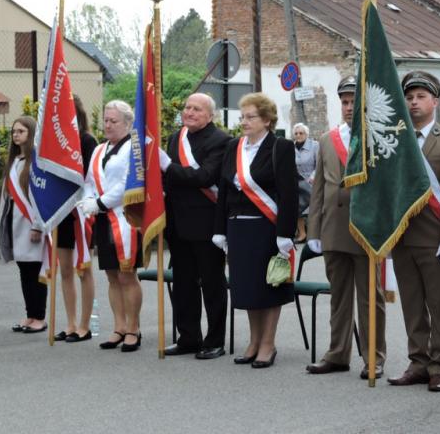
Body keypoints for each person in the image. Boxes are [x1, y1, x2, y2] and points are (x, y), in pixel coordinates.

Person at [387, 71, 440, 392]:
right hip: (403, 237)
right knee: (412, 305)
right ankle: (418, 362)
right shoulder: (395, 140)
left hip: (435, 238)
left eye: (421, 97)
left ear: (435, 102)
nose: (414, 102)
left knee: (438, 307)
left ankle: (439, 366)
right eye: (409, 97)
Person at [305, 75, 387, 379]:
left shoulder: (377, 137)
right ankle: (337, 353)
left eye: (354, 102)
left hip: (365, 229)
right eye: (345, 102)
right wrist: (313, 231)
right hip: (333, 228)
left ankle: (373, 357)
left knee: (370, 298)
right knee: (338, 296)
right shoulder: (327, 139)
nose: (349, 107)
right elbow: (318, 190)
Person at [213, 92, 298, 368]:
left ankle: (268, 344)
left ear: (267, 120)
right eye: (243, 117)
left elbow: (289, 194)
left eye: (251, 117)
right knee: (247, 287)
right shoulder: (234, 147)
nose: (244, 122)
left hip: (267, 227)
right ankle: (253, 341)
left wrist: (285, 233)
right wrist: (220, 229)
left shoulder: (280, 147)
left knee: (269, 286)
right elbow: (224, 191)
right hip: (238, 228)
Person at [159, 93, 230, 360]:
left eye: (197, 109)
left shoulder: (220, 140)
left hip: (206, 224)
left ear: (210, 115)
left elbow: (205, 177)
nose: (189, 112)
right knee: (183, 284)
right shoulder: (176, 138)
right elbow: (168, 180)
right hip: (178, 223)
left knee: (212, 284)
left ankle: (214, 340)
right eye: (187, 107)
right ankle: (188, 337)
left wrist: (168, 167)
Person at [80, 100, 143, 353]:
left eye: (113, 121)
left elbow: (128, 183)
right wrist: (89, 200)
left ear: (128, 123)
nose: (107, 125)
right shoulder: (99, 149)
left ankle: (133, 329)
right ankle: (119, 327)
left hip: (125, 219)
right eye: (105, 120)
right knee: (111, 275)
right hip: (103, 218)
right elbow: (89, 180)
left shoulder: (133, 148)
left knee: (127, 275)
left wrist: (99, 203)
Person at [53, 95, 98, 343]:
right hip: (61, 211)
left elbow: (91, 177)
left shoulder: (87, 140)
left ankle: (85, 324)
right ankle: (70, 323)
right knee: (65, 271)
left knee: (84, 270)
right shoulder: (53, 142)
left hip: (80, 213)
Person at [0, 116, 48, 333]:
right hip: (14, 220)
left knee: (35, 271)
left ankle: (40, 317)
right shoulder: (14, 160)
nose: (16, 135)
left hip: (30, 222)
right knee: (24, 271)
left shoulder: (36, 161)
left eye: (21, 131)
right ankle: (30, 314)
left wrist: (37, 225)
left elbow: (40, 197)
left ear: (31, 134)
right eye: (14, 131)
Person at [292, 122, 318, 243]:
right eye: (296, 133)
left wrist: (312, 178)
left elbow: (319, 165)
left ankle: (314, 235)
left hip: (312, 181)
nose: (298, 135)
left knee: (314, 210)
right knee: (297, 208)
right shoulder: (290, 147)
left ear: (306, 134)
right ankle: (302, 234)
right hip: (296, 182)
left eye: (301, 133)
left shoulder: (315, 146)